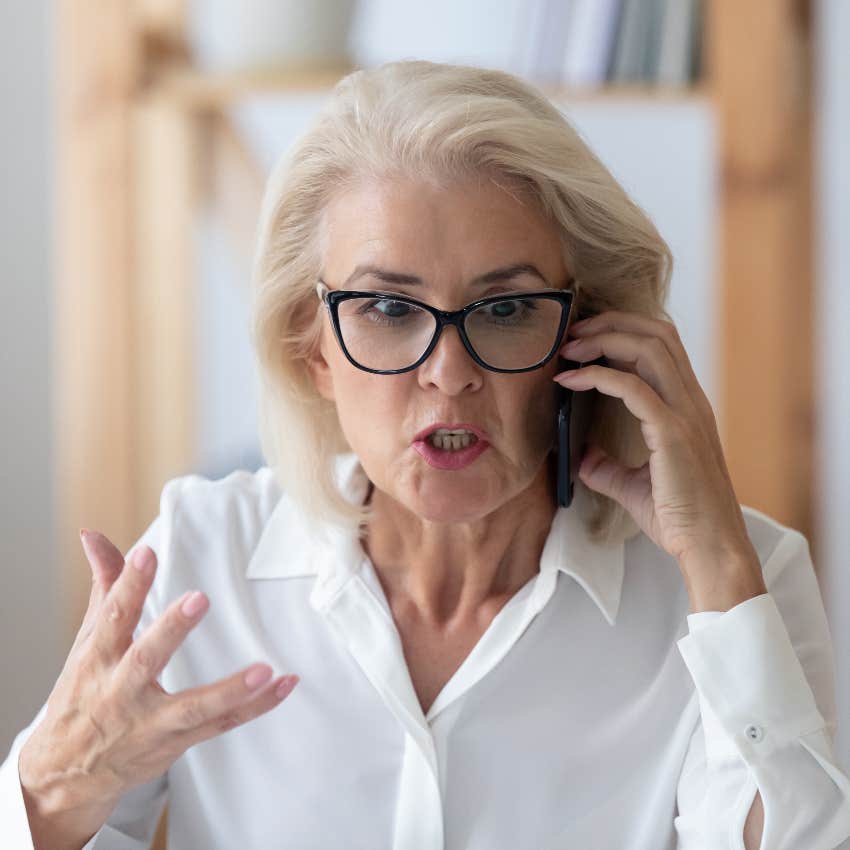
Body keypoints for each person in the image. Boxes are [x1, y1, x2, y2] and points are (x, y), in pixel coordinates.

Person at [2, 59, 849, 850]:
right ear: (315, 350)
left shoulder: (740, 582)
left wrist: (722, 573)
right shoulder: (202, 559)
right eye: (387, 308)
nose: (450, 375)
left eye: (508, 309)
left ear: (586, 337)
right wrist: (46, 795)